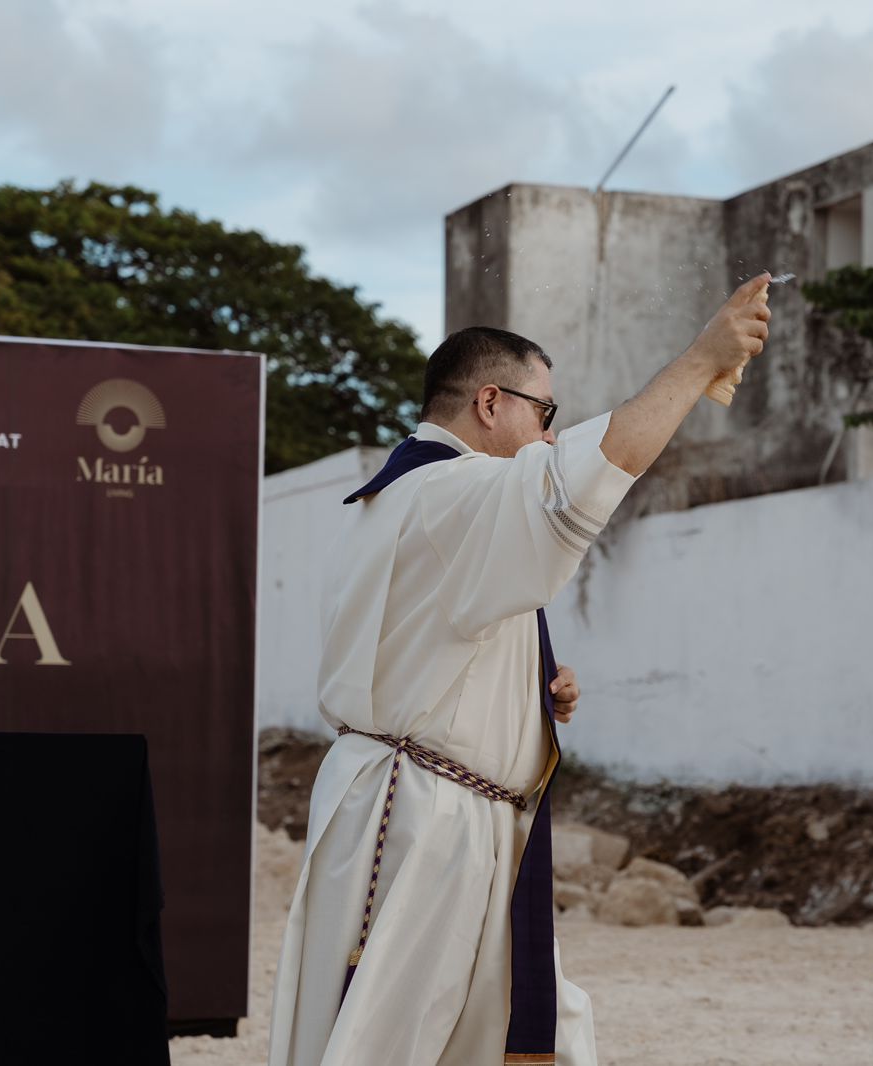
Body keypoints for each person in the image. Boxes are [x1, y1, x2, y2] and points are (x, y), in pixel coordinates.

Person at [267, 273, 774, 1066]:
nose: (548, 434)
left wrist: (527, 681)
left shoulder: (406, 496)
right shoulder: (449, 489)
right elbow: (574, 485)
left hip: (433, 804)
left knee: (518, 1033)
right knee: (394, 1043)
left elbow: (436, 634)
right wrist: (698, 360)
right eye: (546, 413)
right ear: (491, 403)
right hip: (424, 820)